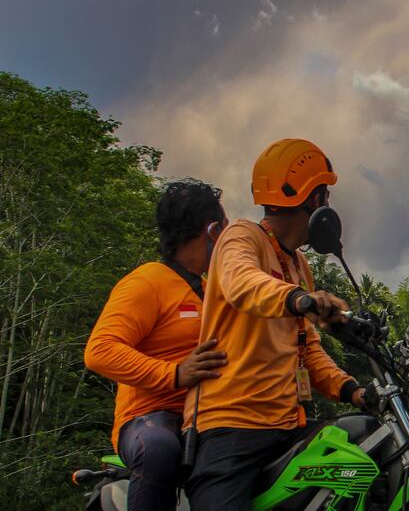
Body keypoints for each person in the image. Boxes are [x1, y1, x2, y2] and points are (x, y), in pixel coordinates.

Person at [184, 138, 365, 510]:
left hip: (287, 424)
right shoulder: (242, 237)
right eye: (326, 194)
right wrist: (298, 299)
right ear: (314, 199)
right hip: (230, 427)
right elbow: (240, 282)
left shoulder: (299, 265)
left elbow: (307, 348)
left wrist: (352, 390)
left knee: (363, 468)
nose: (328, 205)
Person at [84, 179, 229, 511]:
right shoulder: (147, 281)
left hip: (208, 414)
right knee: (159, 449)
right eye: (225, 230)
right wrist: (175, 374)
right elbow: (100, 351)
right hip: (148, 418)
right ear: (211, 230)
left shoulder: (211, 291)